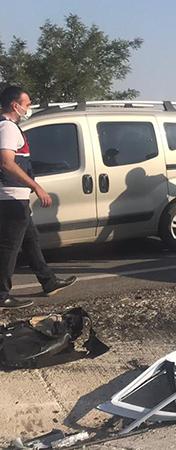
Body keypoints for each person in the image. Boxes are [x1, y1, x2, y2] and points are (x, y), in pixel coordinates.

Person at [0, 86, 76, 309]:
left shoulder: (7, 127)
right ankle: (2, 294)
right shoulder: (8, 128)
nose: (29, 107)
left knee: (31, 240)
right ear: (15, 106)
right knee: (9, 247)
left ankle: (48, 281)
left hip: (14, 198)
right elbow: (6, 162)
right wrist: (37, 187)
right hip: (11, 198)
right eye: (27, 103)